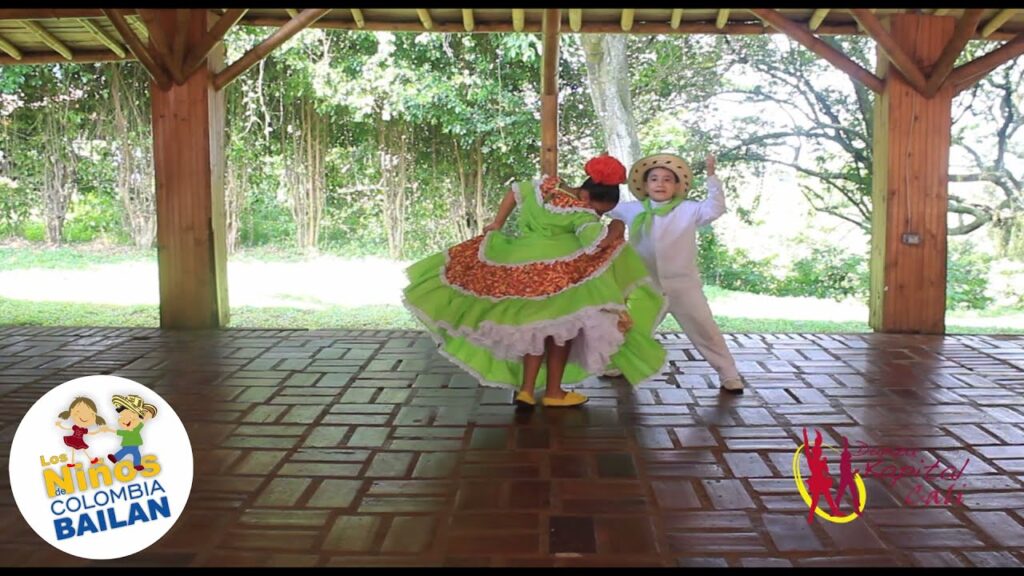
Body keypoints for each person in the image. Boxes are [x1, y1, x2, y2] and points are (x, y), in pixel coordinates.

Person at [403, 154, 666, 408]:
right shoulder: (582, 213)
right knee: (561, 333)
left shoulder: (547, 188)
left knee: (534, 331)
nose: (597, 215)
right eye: (600, 210)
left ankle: (526, 391)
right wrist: (617, 227)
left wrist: (497, 223)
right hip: (560, 279)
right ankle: (554, 392)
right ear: (587, 196)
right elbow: (596, 244)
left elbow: (514, 192)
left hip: (520, 270)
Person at [607, 152, 744, 393]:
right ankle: (621, 364)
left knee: (705, 330)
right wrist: (603, 175)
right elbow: (603, 204)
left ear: (678, 186)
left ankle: (729, 374)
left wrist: (712, 177)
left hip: (684, 287)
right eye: (654, 179)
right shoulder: (632, 209)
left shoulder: (689, 210)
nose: (660, 183)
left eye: (668, 179)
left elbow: (716, 207)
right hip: (647, 287)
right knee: (632, 328)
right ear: (645, 185)